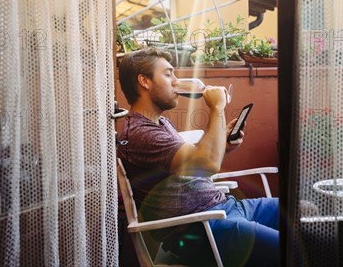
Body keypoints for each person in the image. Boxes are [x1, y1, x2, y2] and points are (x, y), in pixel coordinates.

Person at [117, 48, 279, 266]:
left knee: (303, 210)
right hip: (204, 228)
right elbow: (206, 164)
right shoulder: (140, 133)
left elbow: (194, 163)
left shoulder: (159, 122)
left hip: (225, 208)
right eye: (168, 74)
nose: (176, 82)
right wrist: (217, 108)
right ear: (144, 81)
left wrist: (225, 144)